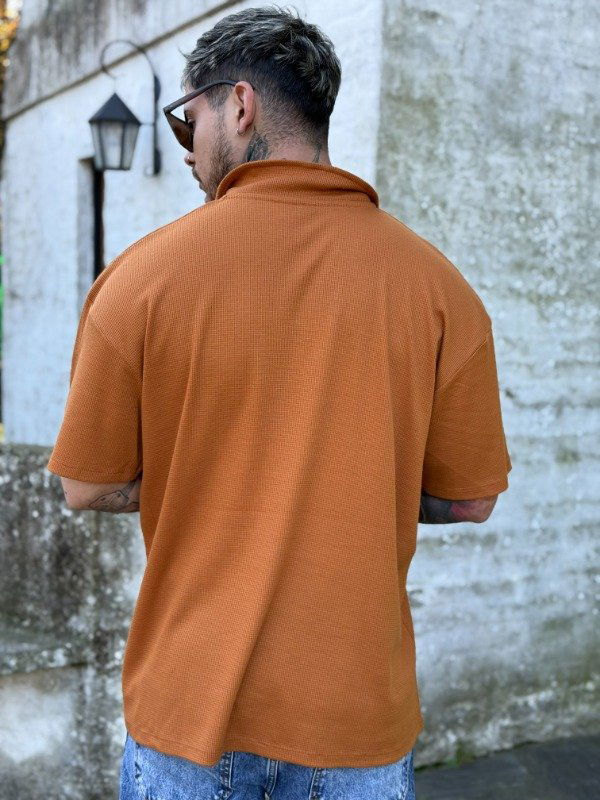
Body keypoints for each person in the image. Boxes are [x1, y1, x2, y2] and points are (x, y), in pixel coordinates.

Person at [46, 5, 512, 799]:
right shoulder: (439, 290)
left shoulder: (140, 280)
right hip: (356, 719)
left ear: (239, 105)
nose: (186, 147)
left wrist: (213, 483)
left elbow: (86, 485)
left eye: (187, 119)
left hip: (189, 714)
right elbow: (470, 500)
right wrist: (355, 489)